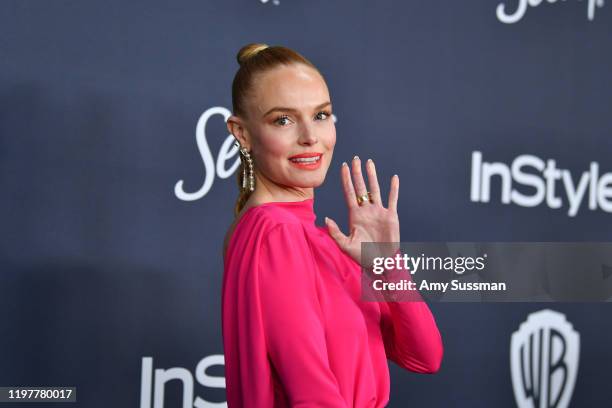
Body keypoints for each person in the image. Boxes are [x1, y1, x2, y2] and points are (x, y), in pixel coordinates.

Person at [222, 42, 443, 407]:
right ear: (242, 133)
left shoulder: (322, 241)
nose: (310, 136)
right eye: (284, 119)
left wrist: (388, 263)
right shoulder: (275, 233)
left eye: (321, 115)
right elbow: (313, 396)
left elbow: (424, 357)